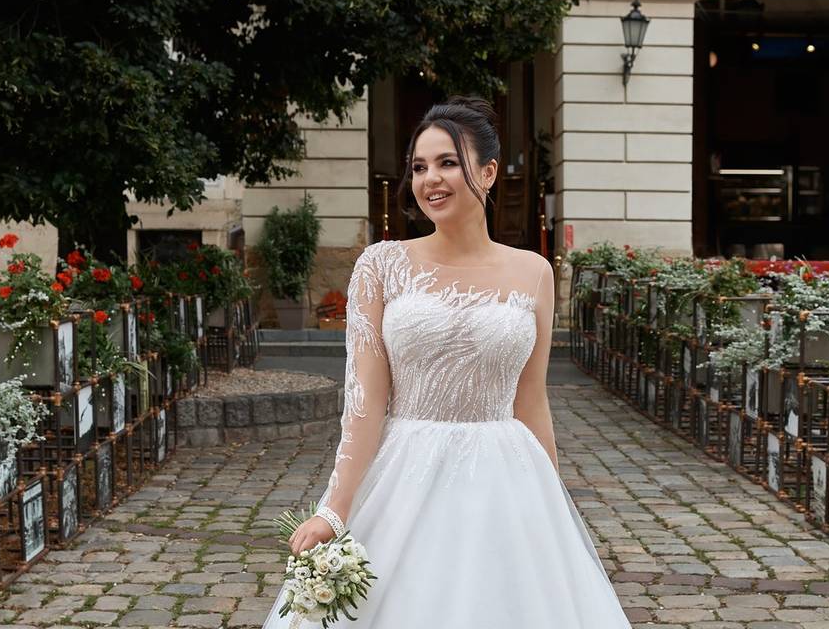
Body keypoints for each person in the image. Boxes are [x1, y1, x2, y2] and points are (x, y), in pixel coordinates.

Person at [262, 96, 632, 628]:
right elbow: (363, 402)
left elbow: (531, 400)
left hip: (507, 477)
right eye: (419, 166)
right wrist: (334, 508)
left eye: (447, 162)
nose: (430, 179)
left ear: (487, 171)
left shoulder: (533, 273)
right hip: (404, 471)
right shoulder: (381, 265)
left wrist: (555, 510)